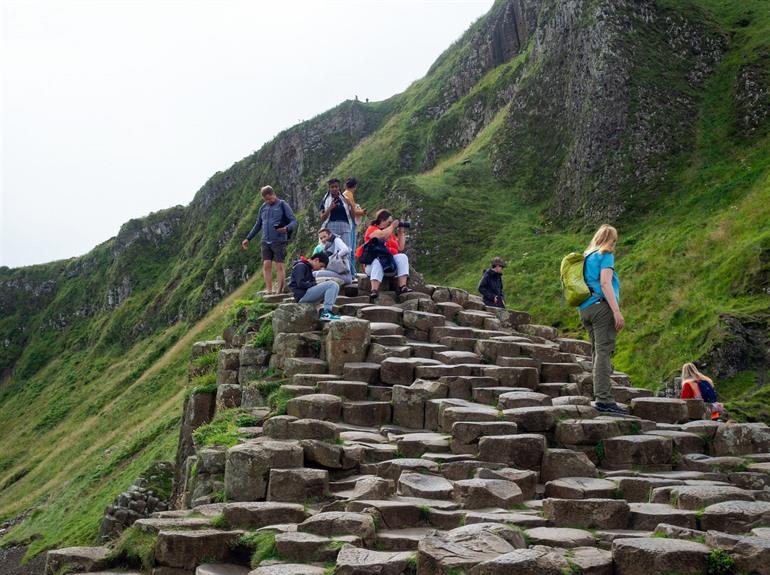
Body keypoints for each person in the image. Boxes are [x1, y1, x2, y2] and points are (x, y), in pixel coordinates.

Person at [578, 224, 626, 414]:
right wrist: (616, 311)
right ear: (611, 239)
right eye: (614, 240)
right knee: (604, 352)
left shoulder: (587, 256)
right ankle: (604, 400)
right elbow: (605, 283)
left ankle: (600, 396)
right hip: (601, 307)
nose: (615, 244)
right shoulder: (606, 254)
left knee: (596, 352)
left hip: (585, 308)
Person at [242, 185, 297, 295]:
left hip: (279, 240)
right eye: (266, 200)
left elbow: (293, 221)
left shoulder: (282, 204)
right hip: (265, 240)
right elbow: (258, 224)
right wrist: (248, 238)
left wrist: (286, 228)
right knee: (266, 264)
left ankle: (279, 291)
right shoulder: (263, 207)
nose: (268, 201)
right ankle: (269, 290)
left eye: (270, 199)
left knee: (279, 265)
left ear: (273, 194)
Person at [355, 209, 413, 300]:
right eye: (389, 222)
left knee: (402, 257)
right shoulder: (372, 229)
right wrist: (392, 226)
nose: (390, 224)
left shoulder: (390, 233)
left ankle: (403, 286)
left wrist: (401, 232)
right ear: (382, 220)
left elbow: (400, 247)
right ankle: (374, 290)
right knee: (379, 260)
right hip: (372, 265)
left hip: (389, 263)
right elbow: (381, 235)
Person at [288, 252, 341, 321]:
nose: (321, 269)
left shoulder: (308, 268)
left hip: (307, 294)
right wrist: (315, 284)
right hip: (302, 296)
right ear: (316, 260)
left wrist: (317, 284)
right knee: (332, 285)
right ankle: (326, 313)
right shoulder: (300, 266)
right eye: (321, 266)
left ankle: (328, 311)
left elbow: (311, 283)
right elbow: (300, 283)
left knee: (336, 285)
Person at [319, 178, 353, 251]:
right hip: (331, 227)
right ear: (329, 188)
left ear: (339, 187)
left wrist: (351, 205)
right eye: (332, 187)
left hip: (345, 227)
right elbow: (322, 218)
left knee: (346, 250)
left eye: (336, 187)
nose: (334, 189)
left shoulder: (344, 199)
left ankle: (346, 263)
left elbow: (352, 216)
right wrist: (329, 208)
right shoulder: (325, 200)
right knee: (331, 250)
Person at [342, 177, 367, 276]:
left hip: (346, 222)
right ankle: (351, 273)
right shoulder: (349, 194)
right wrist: (362, 212)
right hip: (349, 223)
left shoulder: (344, 194)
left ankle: (351, 272)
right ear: (355, 186)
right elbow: (353, 211)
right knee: (351, 248)